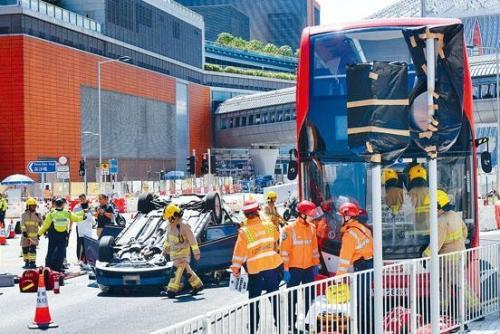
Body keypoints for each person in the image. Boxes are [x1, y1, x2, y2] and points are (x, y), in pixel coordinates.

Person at [231, 200, 283, 334]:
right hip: (272, 268)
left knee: (254, 301)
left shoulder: (244, 231)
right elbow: (277, 240)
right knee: (275, 298)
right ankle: (280, 325)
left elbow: (239, 254)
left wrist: (235, 270)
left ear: (245, 214)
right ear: (257, 211)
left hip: (255, 271)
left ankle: (254, 328)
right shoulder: (270, 226)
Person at [280, 200, 321, 331]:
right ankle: (291, 322)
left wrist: (316, 265)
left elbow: (315, 249)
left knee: (310, 296)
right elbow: (284, 252)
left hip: (309, 268)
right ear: (302, 214)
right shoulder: (289, 229)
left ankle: (308, 321)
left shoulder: (312, 228)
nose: (312, 216)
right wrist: (286, 270)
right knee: (292, 298)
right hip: (293, 269)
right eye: (310, 214)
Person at [336, 201, 374, 334]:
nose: (340, 218)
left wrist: (338, 277)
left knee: (361, 301)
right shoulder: (363, 228)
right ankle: (370, 328)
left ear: (348, 217)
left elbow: (344, 259)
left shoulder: (349, 235)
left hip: (361, 268)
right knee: (366, 299)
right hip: (369, 265)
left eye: (342, 216)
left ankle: (364, 330)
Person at [161, 203, 204, 297]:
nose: (168, 219)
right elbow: (168, 240)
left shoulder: (184, 225)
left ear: (175, 215)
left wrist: (196, 252)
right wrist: (165, 250)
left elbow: (192, 239)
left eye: (170, 217)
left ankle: (171, 290)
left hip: (182, 254)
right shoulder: (170, 225)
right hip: (174, 254)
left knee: (175, 271)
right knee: (187, 271)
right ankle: (198, 285)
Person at [38, 198, 84, 272]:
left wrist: (38, 234)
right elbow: (75, 218)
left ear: (55, 205)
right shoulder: (67, 212)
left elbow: (45, 225)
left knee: (51, 251)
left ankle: (48, 268)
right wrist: (83, 217)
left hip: (53, 235)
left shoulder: (51, 213)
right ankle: (58, 268)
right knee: (61, 252)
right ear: (63, 205)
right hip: (62, 235)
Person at [20, 198, 42, 269]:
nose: (33, 207)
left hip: (34, 237)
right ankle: (26, 262)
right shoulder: (24, 215)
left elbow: (42, 224)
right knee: (25, 249)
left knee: (32, 250)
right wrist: (24, 231)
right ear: (28, 206)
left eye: (34, 206)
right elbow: (22, 224)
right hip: (25, 236)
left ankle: (32, 263)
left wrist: (41, 233)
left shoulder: (38, 214)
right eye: (32, 206)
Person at [73, 194, 95, 266]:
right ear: (79, 199)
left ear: (85, 198)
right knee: (79, 244)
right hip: (79, 228)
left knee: (87, 244)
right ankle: (78, 259)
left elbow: (93, 215)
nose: (82, 199)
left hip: (88, 228)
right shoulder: (76, 207)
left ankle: (85, 259)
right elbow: (75, 217)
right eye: (81, 198)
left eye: (83, 198)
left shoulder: (90, 207)